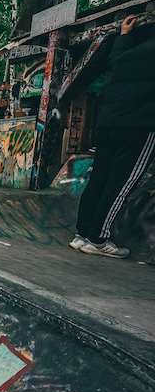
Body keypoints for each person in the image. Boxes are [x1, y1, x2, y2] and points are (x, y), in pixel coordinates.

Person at [72, 14, 155, 258]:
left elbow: (114, 60)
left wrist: (124, 36)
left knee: (99, 179)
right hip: (138, 126)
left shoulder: (130, 54)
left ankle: (82, 234)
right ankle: (98, 240)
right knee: (121, 184)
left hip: (107, 124)